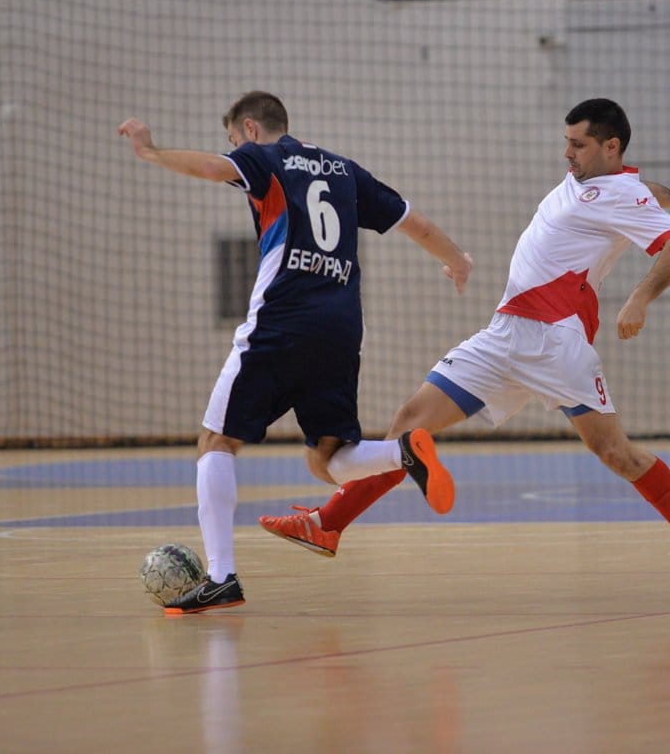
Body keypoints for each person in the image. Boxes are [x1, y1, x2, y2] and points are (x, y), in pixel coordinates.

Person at [259, 98, 670, 593]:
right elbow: (642, 186)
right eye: (566, 143)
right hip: (502, 335)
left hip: (557, 343)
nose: (568, 153)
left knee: (616, 454)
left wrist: (639, 299)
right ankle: (327, 525)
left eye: (578, 145)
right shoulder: (603, 182)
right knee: (409, 427)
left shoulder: (622, 196)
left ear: (610, 146)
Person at [117, 91, 472, 613]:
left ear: (251, 129)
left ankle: (221, 577)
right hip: (343, 326)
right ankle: (403, 452)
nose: (236, 150)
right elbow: (412, 222)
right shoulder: (345, 171)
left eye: (234, 139)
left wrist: (153, 153)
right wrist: (457, 261)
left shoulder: (265, 158)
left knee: (216, 441)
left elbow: (216, 170)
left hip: (283, 318)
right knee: (327, 458)